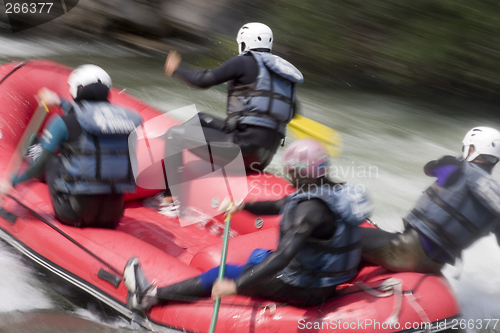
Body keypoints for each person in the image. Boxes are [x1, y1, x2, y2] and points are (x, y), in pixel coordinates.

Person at [123, 138, 373, 310]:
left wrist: (236, 285)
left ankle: (150, 297)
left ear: (299, 171)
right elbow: (279, 205)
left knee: (218, 273)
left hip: (304, 289)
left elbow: (284, 256)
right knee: (257, 256)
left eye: (290, 171)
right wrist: (243, 206)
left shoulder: (309, 211)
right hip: (325, 282)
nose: (288, 176)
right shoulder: (334, 191)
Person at [158, 22, 303, 215]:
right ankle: (168, 169)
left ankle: (171, 200)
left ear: (244, 42)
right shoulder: (282, 75)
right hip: (263, 157)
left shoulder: (242, 62)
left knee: (175, 135)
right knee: (201, 119)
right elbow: (292, 111)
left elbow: (203, 80)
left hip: (239, 152)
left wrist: (178, 68)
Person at [9, 65, 142, 228]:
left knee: (47, 155)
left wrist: (12, 182)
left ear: (78, 89)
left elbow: (38, 166)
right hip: (113, 217)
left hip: (72, 213)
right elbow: (87, 121)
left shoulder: (62, 122)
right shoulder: (126, 122)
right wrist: (60, 102)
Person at [362, 126, 500, 274]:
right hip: (435, 265)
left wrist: (455, 160)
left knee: (341, 233)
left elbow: (429, 168)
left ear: (472, 149)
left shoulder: (457, 167)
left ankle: (333, 288)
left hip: (406, 252)